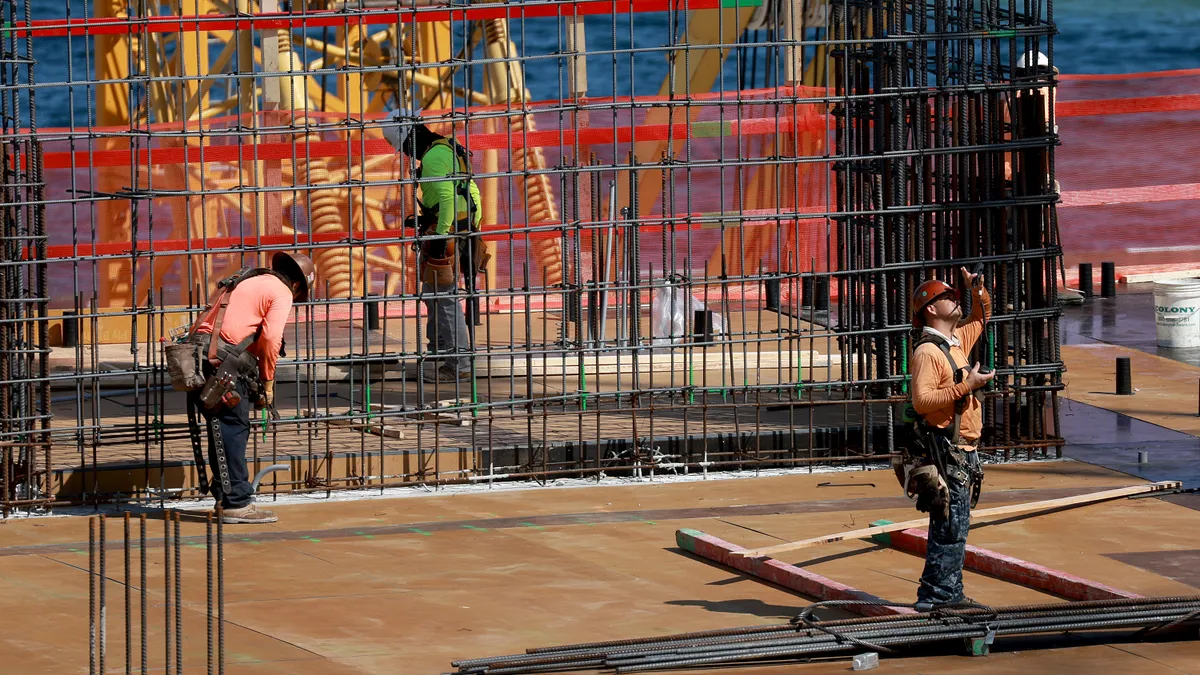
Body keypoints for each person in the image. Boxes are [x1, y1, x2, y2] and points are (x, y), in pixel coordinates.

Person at [186, 252, 315, 524]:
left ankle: (225, 494)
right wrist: (268, 381)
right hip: (222, 363)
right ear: (297, 286)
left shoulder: (247, 279)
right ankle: (238, 503)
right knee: (233, 428)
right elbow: (269, 339)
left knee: (220, 427)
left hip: (197, 356)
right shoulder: (282, 292)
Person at [906, 265, 993, 610]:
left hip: (962, 450)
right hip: (947, 449)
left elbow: (981, 317)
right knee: (950, 527)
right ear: (930, 308)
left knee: (955, 525)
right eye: (946, 296)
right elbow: (922, 401)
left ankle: (942, 592)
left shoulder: (954, 342)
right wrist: (966, 386)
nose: (954, 299)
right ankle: (940, 595)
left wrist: (977, 290)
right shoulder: (928, 352)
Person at [383, 107, 484, 383]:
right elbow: (470, 191)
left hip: (447, 234)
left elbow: (449, 200)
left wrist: (441, 237)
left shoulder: (433, 158)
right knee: (433, 293)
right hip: (459, 228)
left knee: (445, 299)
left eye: (403, 148)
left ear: (408, 138)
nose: (406, 154)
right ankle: (439, 351)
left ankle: (459, 363)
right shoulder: (447, 149)